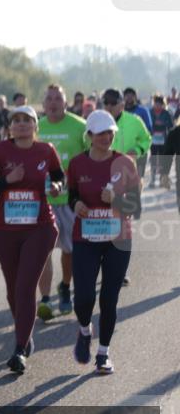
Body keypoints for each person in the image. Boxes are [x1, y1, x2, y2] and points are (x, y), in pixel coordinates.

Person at [0, 106, 64, 373]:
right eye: (16, 120)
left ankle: (18, 349)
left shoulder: (46, 150)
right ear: (10, 127)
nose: (22, 124)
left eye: (27, 120)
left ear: (36, 126)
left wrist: (57, 186)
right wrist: (7, 180)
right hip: (6, 230)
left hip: (39, 227)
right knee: (13, 289)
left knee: (26, 286)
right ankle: (24, 335)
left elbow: (59, 176)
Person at [67, 110, 142, 374]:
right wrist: (76, 204)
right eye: (100, 133)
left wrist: (116, 200)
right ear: (89, 135)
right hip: (86, 238)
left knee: (109, 299)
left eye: (110, 132)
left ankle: (103, 353)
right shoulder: (77, 164)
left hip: (118, 240)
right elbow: (72, 194)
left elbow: (135, 205)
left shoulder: (125, 163)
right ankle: (84, 330)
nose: (106, 137)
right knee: (84, 298)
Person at [36, 84, 89, 320]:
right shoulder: (36, 127)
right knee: (43, 251)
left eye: (58, 98)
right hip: (42, 200)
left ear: (65, 102)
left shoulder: (79, 126)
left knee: (70, 251)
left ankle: (65, 286)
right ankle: (46, 299)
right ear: (43, 103)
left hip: (70, 199)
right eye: (49, 98)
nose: (53, 102)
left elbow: (91, 156)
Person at [124, 87, 154, 181]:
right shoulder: (120, 112)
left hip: (139, 150)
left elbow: (149, 128)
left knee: (139, 177)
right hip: (124, 149)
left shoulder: (143, 111)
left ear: (135, 97)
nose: (129, 97)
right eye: (127, 95)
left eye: (131, 95)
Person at [149, 93, 175, 188]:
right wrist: (154, 125)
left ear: (163, 104)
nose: (157, 106)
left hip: (163, 140)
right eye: (156, 104)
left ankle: (161, 179)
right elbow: (147, 124)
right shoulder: (150, 112)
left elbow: (171, 126)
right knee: (153, 159)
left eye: (160, 104)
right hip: (153, 140)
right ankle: (152, 180)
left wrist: (163, 123)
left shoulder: (166, 113)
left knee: (162, 159)